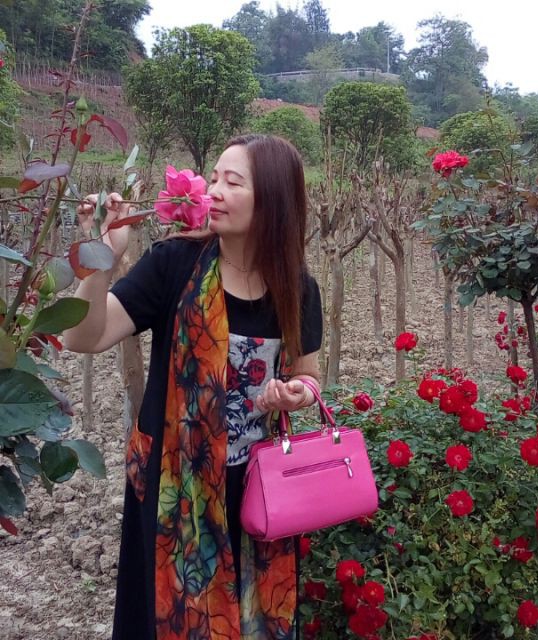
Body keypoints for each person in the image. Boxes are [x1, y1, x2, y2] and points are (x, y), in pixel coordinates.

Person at [64, 134, 323, 640]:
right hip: (171, 489)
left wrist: (298, 393)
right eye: (214, 178)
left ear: (273, 198)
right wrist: (100, 259)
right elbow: (82, 337)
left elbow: (309, 376)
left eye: (234, 182)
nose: (215, 191)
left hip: (256, 493)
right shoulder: (175, 264)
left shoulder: (296, 288)